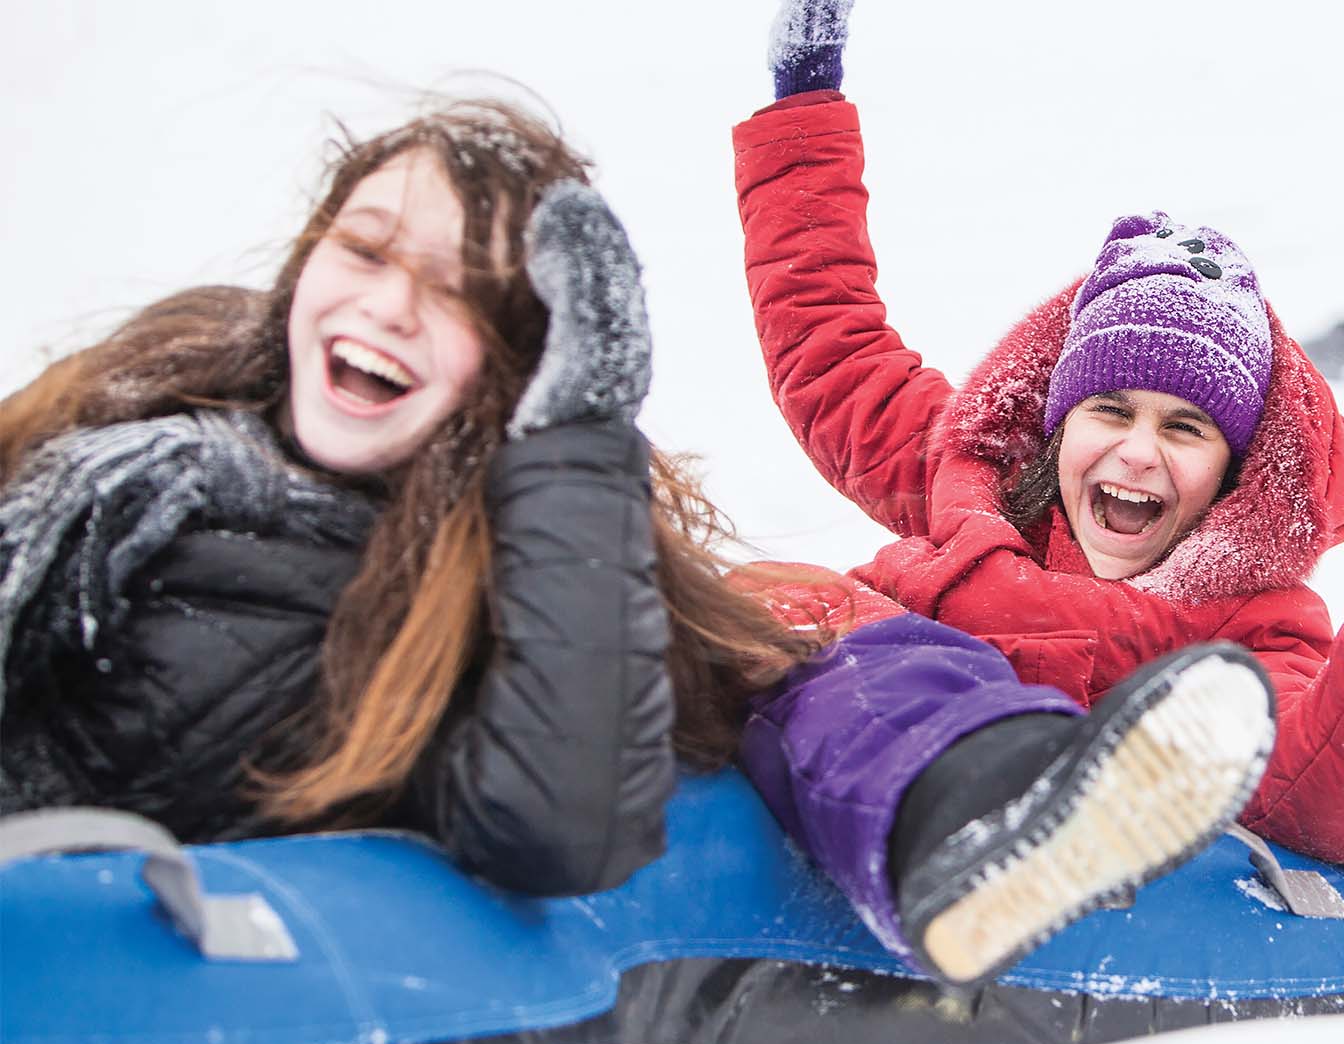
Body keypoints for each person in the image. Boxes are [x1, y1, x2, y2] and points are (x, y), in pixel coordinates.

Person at [731, 1, 1344, 986]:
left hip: (968, 797)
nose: (1135, 452)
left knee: (853, 641)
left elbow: (1321, 788)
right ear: (1058, 421)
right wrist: (804, 105)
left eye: (1185, 427)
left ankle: (1003, 816)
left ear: (1233, 468)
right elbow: (831, 340)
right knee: (769, 590)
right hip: (795, 709)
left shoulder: (1247, 626)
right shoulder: (973, 479)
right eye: (1108, 409)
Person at [0, 98, 812, 897]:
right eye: (365, 250)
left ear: (524, 366)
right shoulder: (129, 428)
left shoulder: (474, 610)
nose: (389, 308)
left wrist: (581, 439)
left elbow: (562, 830)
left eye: (461, 291)